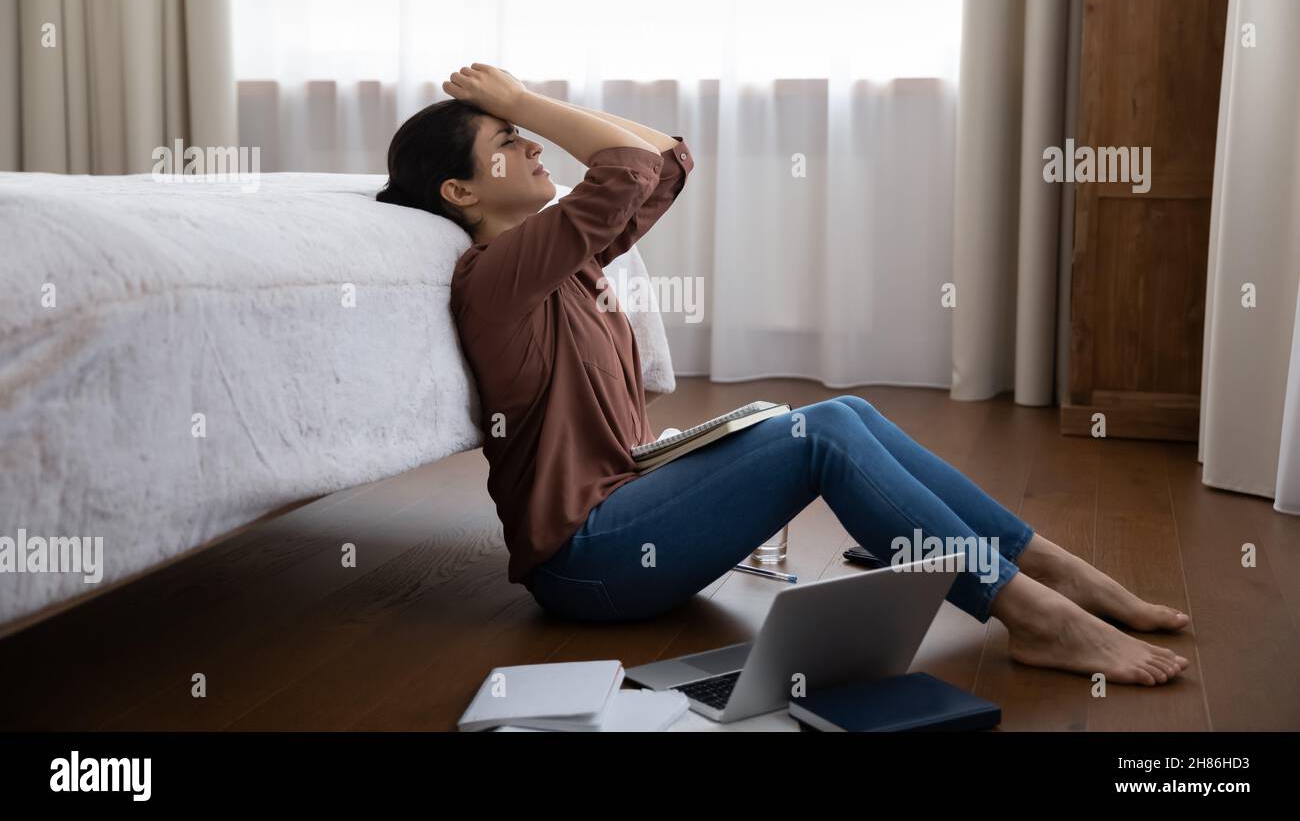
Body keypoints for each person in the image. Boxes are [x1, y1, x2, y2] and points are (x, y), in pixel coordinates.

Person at [376, 63, 1191, 687]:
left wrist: (521, 106)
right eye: (507, 144)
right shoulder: (496, 278)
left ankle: (1047, 568)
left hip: (627, 513)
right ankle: (1031, 614)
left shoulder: (563, 262)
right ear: (460, 191)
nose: (531, 144)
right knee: (823, 431)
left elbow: (662, 161)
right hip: (589, 563)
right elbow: (620, 166)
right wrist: (519, 99)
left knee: (852, 412)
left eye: (521, 131)